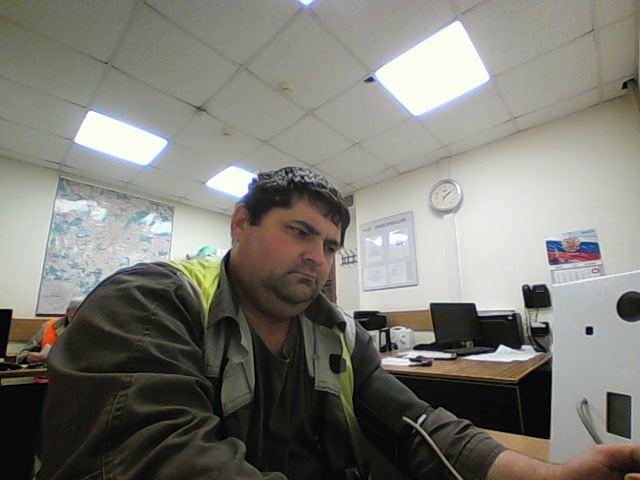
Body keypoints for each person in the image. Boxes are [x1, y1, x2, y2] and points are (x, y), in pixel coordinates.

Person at [38, 166, 640, 480]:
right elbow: (153, 459)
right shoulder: (149, 301)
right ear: (241, 224)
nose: (317, 258)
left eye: (329, 246)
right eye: (300, 232)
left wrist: (545, 477)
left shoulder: (337, 333)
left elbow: (419, 427)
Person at [16, 297, 83, 365]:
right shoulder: (49, 326)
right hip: (48, 369)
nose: (78, 318)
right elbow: (23, 354)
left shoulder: (89, 328)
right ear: (67, 312)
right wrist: (28, 358)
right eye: (75, 314)